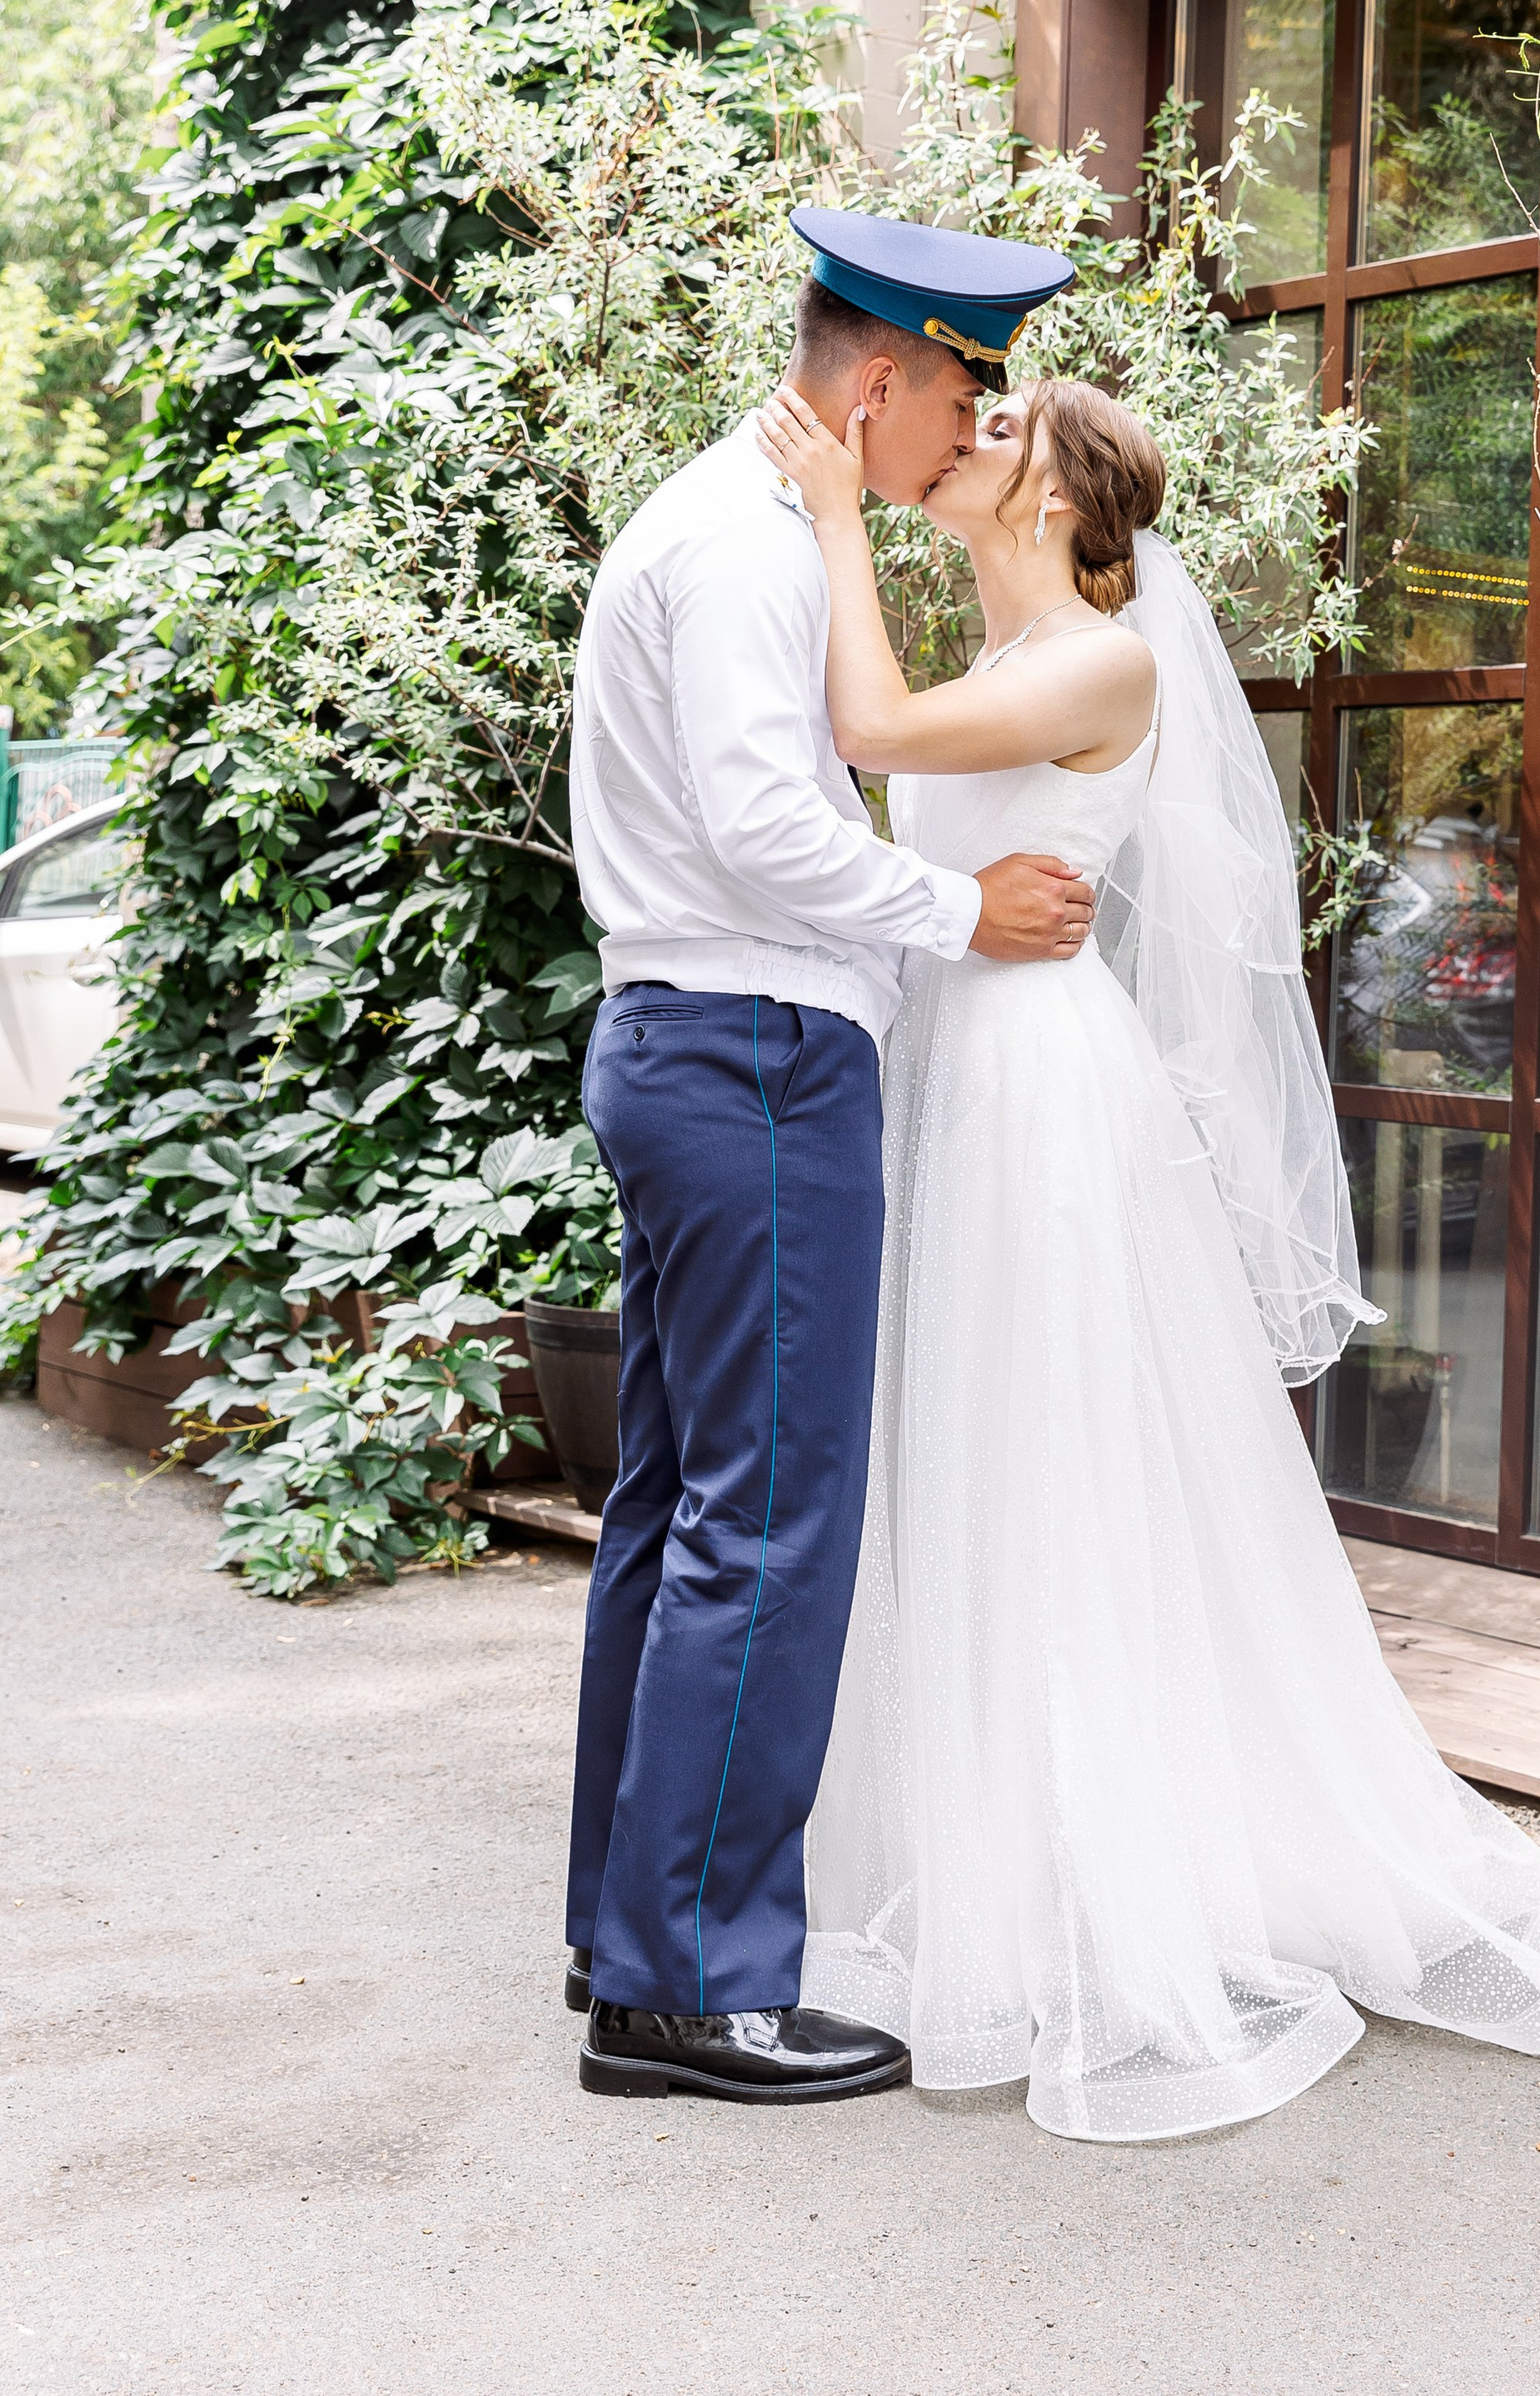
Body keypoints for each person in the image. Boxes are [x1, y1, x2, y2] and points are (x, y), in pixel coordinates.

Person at [752, 368, 1540, 2143]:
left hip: (1048, 1095)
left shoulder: (1098, 662)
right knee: (973, 1462)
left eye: (1001, 437)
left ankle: (1110, 1879)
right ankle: (1001, 1850)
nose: (963, 444)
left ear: (1063, 504)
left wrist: (830, 515)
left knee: (1063, 1460)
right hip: (958, 1071)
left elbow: (871, 735)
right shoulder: (1001, 667)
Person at [565, 208, 1096, 2106]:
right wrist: (959, 910)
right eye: (956, 384)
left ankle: (631, 1945)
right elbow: (765, 829)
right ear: (878, 374)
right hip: (754, 1052)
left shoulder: (739, 525)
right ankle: (694, 1987)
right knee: (765, 1522)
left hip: (703, 1044)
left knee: (679, 1508)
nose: (963, 423)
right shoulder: (746, 551)